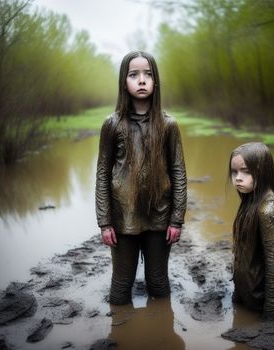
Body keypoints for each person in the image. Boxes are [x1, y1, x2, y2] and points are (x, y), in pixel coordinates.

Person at [95, 51, 187, 305]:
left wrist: (176, 220)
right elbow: (103, 173)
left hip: (160, 217)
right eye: (134, 75)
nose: (142, 80)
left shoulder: (169, 124)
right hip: (123, 219)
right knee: (120, 287)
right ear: (124, 82)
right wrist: (104, 222)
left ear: (156, 81)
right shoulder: (111, 124)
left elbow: (178, 171)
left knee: (158, 284)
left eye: (148, 74)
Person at [229, 142, 274, 321]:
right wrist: (238, 296)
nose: (238, 178)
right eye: (234, 171)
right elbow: (242, 253)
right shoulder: (250, 199)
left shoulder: (269, 211)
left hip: (265, 300)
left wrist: (271, 314)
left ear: (263, 172)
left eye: (246, 171)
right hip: (250, 294)